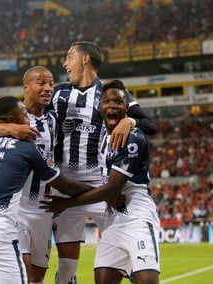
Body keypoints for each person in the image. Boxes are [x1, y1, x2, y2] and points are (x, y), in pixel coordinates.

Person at [0, 96, 93, 284]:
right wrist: (101, 191)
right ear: (11, 120)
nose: (28, 119)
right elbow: (65, 186)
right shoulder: (25, 148)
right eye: (24, 115)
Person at [49, 41, 156, 283]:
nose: (65, 64)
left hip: (104, 186)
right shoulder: (58, 93)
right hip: (65, 185)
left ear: (85, 59)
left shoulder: (111, 93)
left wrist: (131, 121)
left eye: (69, 57)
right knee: (66, 268)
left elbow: (150, 125)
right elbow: (30, 112)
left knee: (121, 254)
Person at [0, 66, 56, 283]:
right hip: (15, 208)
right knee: (21, 269)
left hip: (43, 209)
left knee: (37, 276)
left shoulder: (53, 120)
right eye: (41, 83)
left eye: (51, 84)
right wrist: (12, 129)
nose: (47, 89)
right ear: (26, 87)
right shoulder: (12, 116)